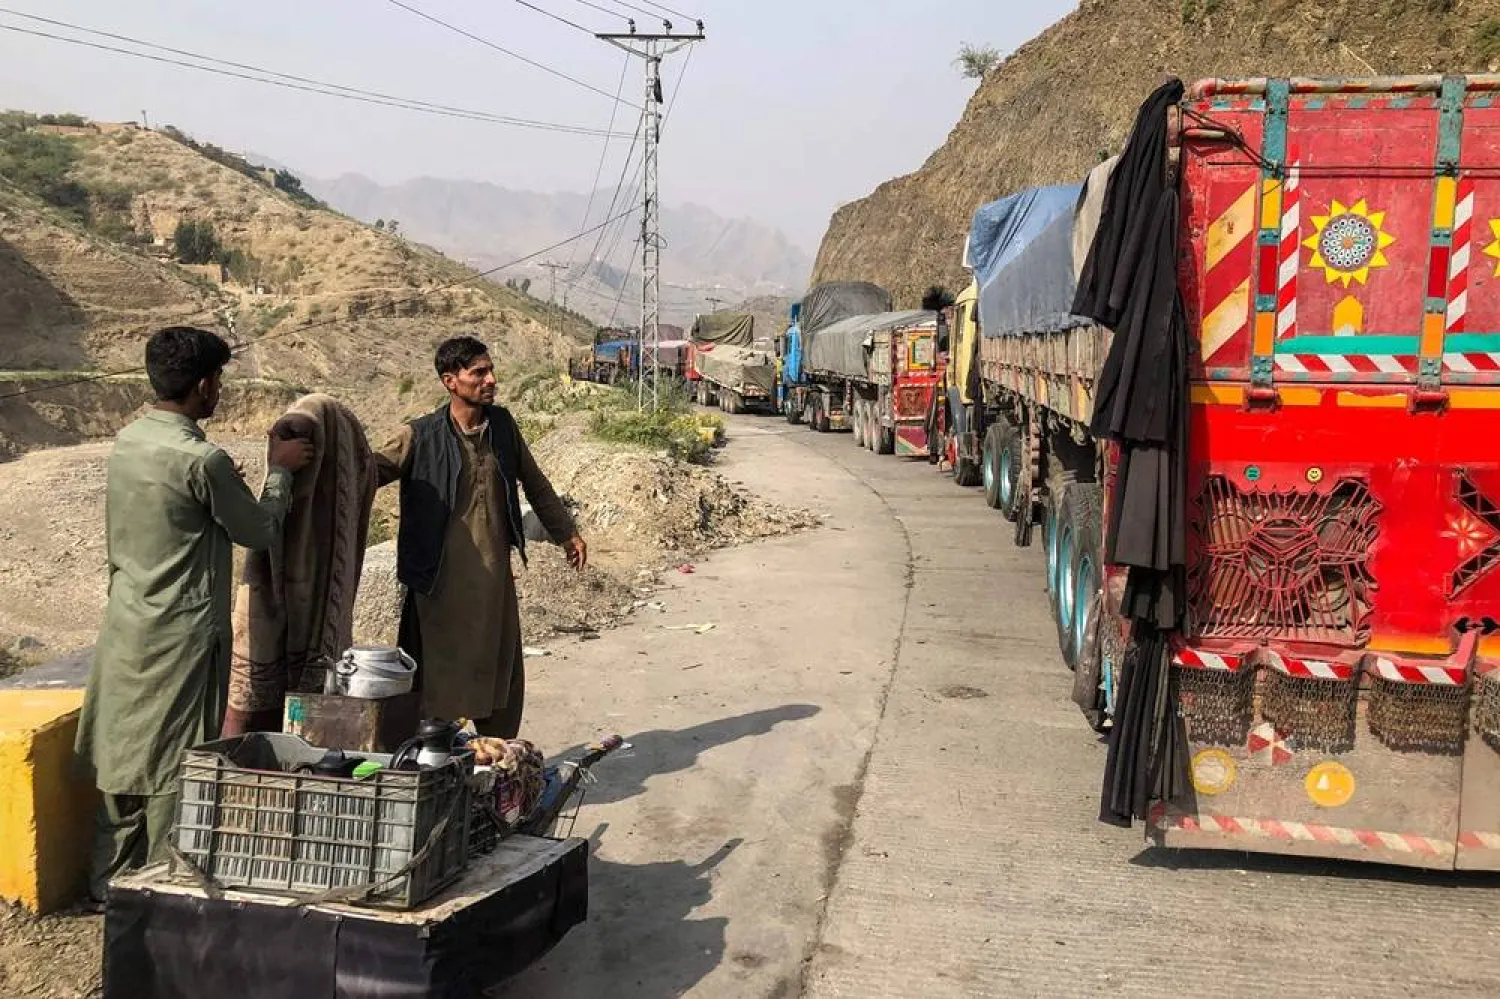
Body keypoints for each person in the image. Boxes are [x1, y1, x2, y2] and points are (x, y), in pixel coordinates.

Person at [74, 326, 314, 904]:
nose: (221, 390)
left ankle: (107, 885)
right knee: (176, 763)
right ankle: (161, 893)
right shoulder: (201, 460)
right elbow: (256, 529)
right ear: (205, 385)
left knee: (123, 751)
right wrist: (279, 469)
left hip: (129, 624)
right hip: (181, 637)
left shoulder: (129, 441)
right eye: (220, 381)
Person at [376, 335, 586, 738]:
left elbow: (536, 484)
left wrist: (566, 533)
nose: (491, 379)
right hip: (438, 586)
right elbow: (369, 471)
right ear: (450, 381)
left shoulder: (503, 427)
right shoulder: (419, 436)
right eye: (479, 372)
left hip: (493, 585)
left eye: (491, 370)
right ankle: (436, 758)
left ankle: (495, 759)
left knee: (499, 674)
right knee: (436, 682)